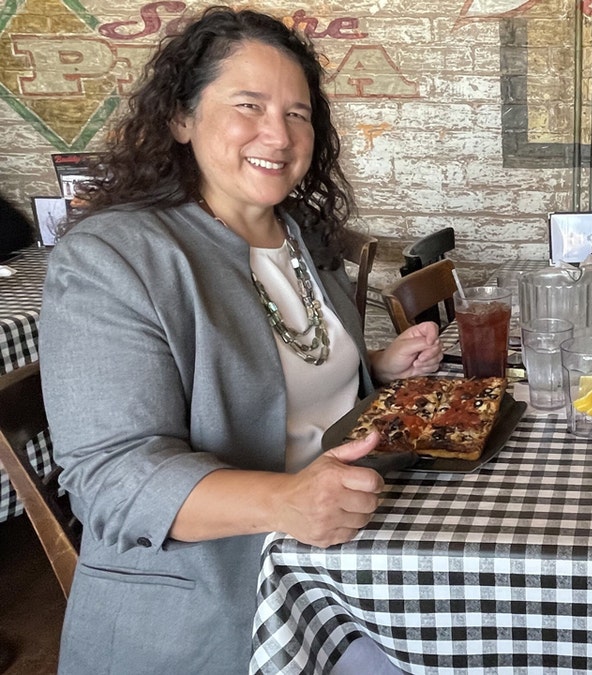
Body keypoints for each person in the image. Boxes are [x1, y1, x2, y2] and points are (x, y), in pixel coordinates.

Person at [39, 7, 442, 673]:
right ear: (180, 117)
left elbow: (275, 381)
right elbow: (111, 478)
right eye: (248, 105)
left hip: (336, 571)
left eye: (298, 114)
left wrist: (374, 364)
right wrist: (285, 501)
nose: (278, 135)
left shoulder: (302, 234)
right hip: (215, 607)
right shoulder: (114, 257)